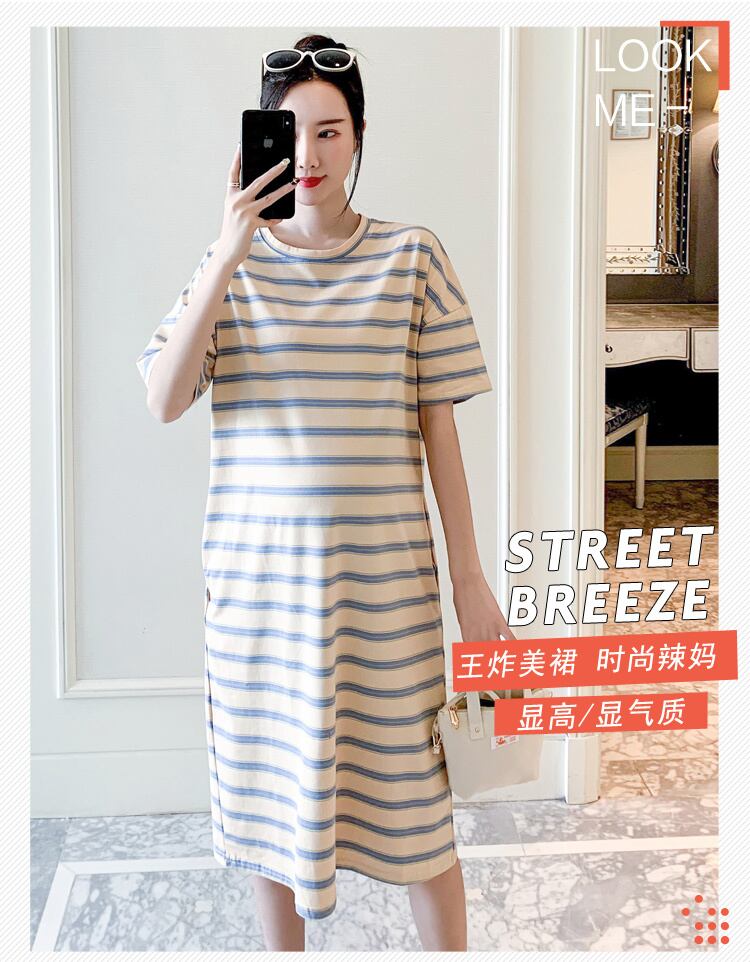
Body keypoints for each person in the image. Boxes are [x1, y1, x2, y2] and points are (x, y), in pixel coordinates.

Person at [135, 33, 515, 952]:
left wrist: (471, 586)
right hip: (262, 603)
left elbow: (440, 435)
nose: (308, 154)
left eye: (330, 131)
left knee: (421, 821)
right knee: (272, 819)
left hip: (386, 600)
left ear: (359, 137)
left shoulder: (413, 259)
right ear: (258, 138)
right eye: (290, 131)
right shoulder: (230, 270)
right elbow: (164, 399)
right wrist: (228, 251)